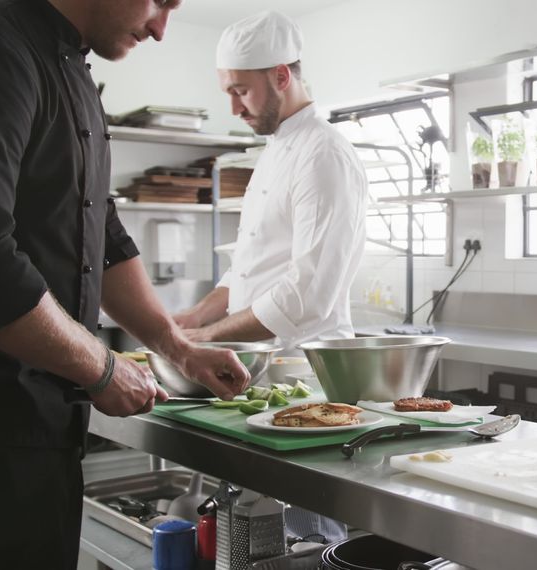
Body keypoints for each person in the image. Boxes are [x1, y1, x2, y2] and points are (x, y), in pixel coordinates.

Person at [0, 1, 252, 568]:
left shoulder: (75, 71)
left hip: (42, 429)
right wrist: (101, 366)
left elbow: (100, 232)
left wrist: (178, 348)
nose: (162, 28)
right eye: (160, 0)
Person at [173, 11, 368, 543]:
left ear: (281, 76)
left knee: (307, 531)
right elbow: (247, 271)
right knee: (257, 533)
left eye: (241, 91)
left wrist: (204, 340)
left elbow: (307, 296)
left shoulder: (325, 154)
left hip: (306, 380)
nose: (233, 107)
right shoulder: (276, 148)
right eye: (228, 92)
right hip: (259, 375)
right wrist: (187, 321)